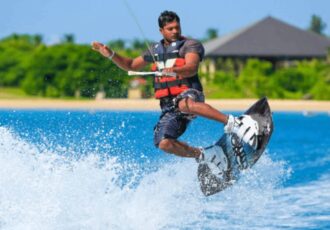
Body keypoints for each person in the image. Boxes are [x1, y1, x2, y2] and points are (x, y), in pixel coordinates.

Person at [92, 10, 253, 167]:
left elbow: (191, 68)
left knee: (184, 104)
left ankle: (235, 123)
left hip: (190, 94)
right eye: (170, 29)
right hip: (169, 106)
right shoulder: (155, 50)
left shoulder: (190, 45)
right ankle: (206, 155)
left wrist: (174, 71)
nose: (175, 31)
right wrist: (111, 54)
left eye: (177, 27)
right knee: (164, 143)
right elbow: (130, 65)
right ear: (161, 31)